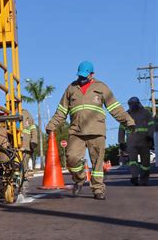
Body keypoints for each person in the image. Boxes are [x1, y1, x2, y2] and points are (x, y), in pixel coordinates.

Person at [46, 61, 135, 200]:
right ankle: (80, 178)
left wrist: (128, 121)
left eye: (84, 76)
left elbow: (115, 107)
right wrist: (52, 125)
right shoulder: (71, 88)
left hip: (97, 131)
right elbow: (61, 111)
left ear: (92, 74)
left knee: (97, 163)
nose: (81, 79)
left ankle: (98, 189)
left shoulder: (101, 87)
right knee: (71, 158)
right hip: (76, 131)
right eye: (80, 76)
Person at [118, 97, 154, 186]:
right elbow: (121, 129)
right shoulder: (126, 115)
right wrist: (121, 142)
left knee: (145, 162)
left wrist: (150, 136)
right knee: (133, 161)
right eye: (130, 104)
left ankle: (143, 180)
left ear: (138, 103)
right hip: (131, 141)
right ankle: (134, 177)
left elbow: (151, 125)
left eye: (134, 103)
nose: (132, 105)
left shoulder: (146, 113)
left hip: (144, 141)